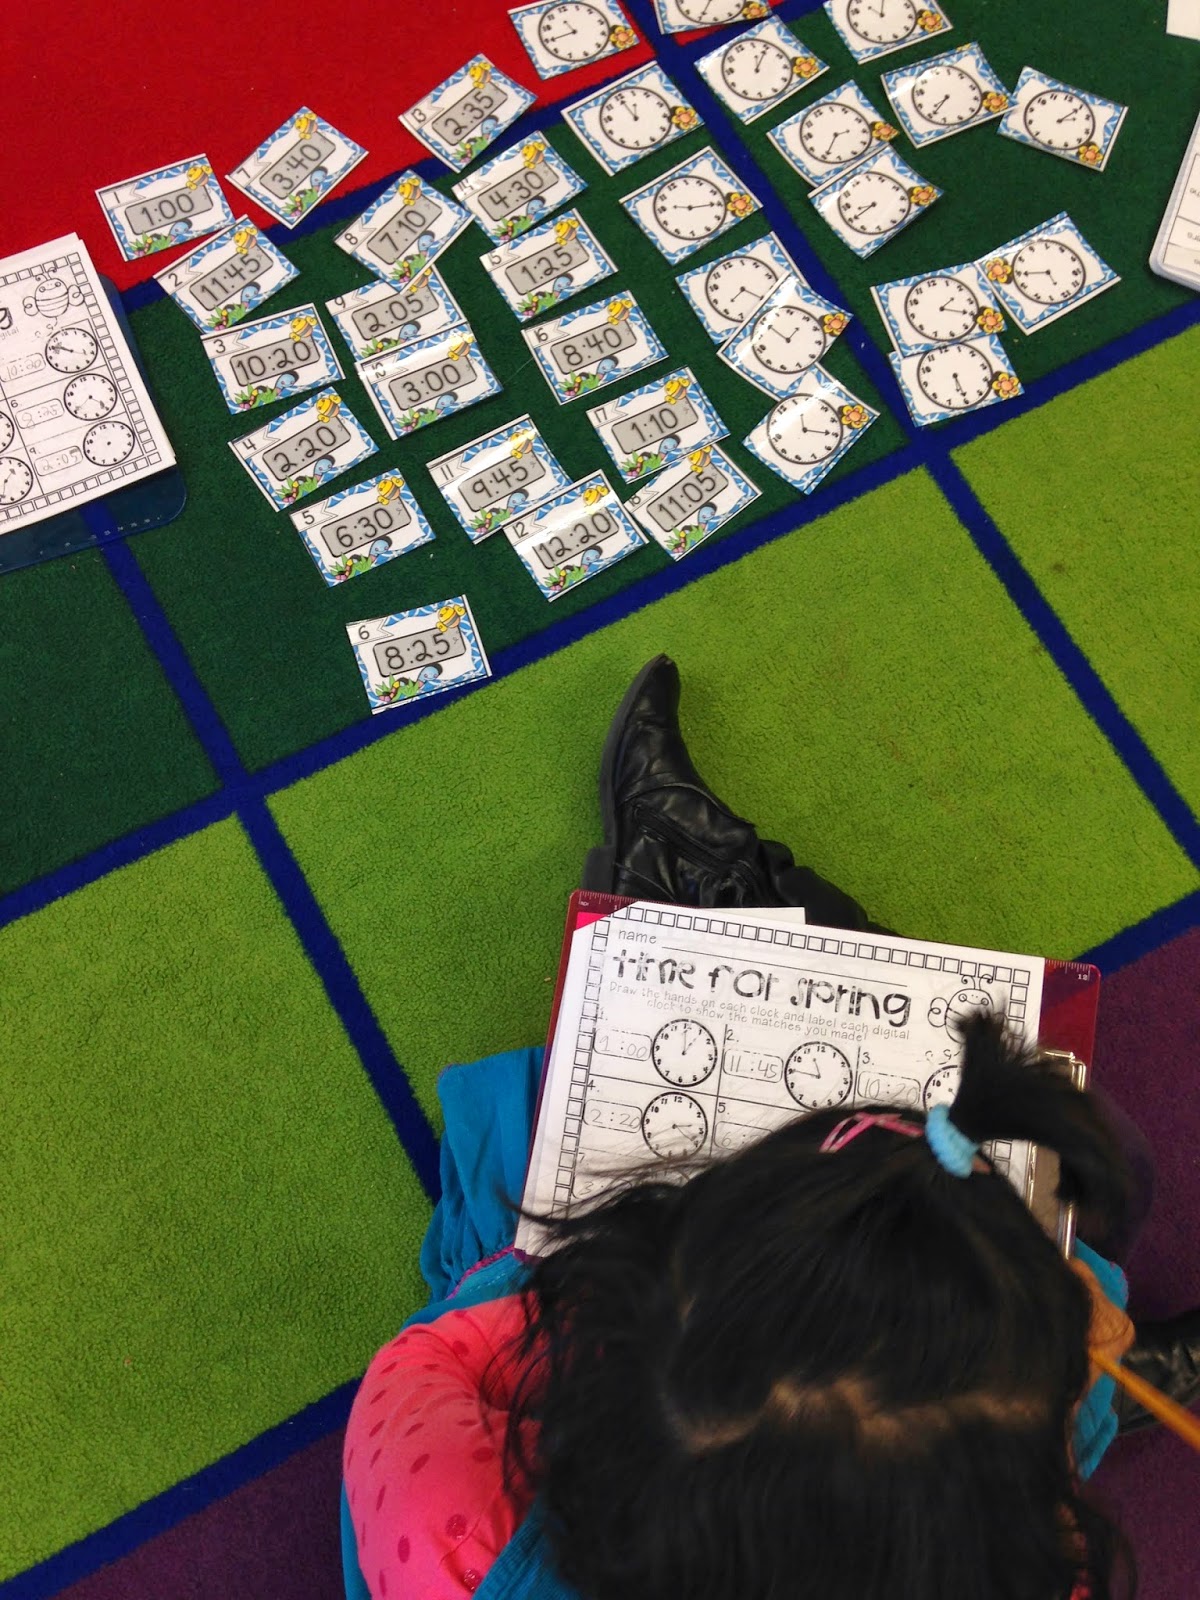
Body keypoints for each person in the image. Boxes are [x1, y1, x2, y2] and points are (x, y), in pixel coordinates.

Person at [341, 656, 1200, 1600]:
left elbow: (430, 1355)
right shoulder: (1004, 1557)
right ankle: (1079, 1386)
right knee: (1086, 1186)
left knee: (556, 1119)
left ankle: (678, 870)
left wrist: (569, 1288)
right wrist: (1062, 1375)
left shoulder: (446, 1521)